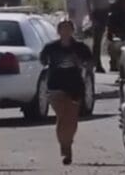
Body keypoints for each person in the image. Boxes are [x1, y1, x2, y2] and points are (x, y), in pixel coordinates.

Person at [40, 19, 95, 165]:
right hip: (55, 86)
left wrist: (82, 64)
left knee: (71, 119)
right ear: (58, 32)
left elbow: (90, 63)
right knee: (62, 116)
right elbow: (42, 61)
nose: (65, 32)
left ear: (72, 31)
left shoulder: (80, 48)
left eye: (68, 29)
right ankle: (65, 147)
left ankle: (68, 143)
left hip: (75, 86)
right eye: (62, 29)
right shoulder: (51, 47)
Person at [85, 0, 111, 73]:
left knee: (108, 38)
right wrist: (91, 15)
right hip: (98, 13)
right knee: (97, 40)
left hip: (106, 12)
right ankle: (96, 64)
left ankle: (112, 61)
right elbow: (87, 0)